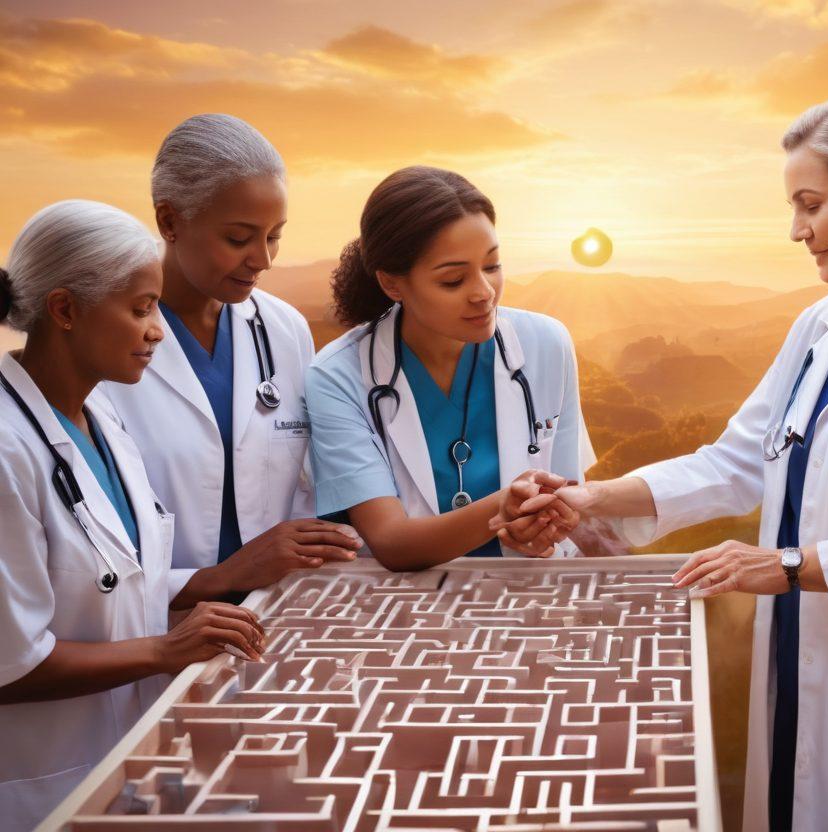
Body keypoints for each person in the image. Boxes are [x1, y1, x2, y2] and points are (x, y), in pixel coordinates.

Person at [505, 92, 828, 831]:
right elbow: (737, 461)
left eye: (810, 205)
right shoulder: (821, 326)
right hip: (795, 662)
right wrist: (590, 498)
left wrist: (790, 567)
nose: (796, 230)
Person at [0, 200, 264, 830]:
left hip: (130, 757)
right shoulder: (7, 449)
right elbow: (11, 665)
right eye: (142, 309)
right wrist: (163, 650)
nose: (158, 332)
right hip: (43, 782)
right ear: (65, 310)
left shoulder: (103, 418)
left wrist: (215, 587)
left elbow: (117, 581)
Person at [103, 114, 361, 608]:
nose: (263, 259)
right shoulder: (107, 341)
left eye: (274, 236)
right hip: (161, 625)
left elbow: (308, 488)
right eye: (239, 239)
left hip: (280, 611)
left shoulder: (285, 330)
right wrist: (222, 577)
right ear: (169, 222)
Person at [305, 166, 595, 569]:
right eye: (453, 280)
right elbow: (391, 542)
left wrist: (542, 533)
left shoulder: (546, 344)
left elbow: (566, 500)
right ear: (392, 284)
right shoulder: (338, 376)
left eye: (492, 266)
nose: (483, 293)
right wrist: (502, 508)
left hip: (524, 588)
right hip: (401, 600)